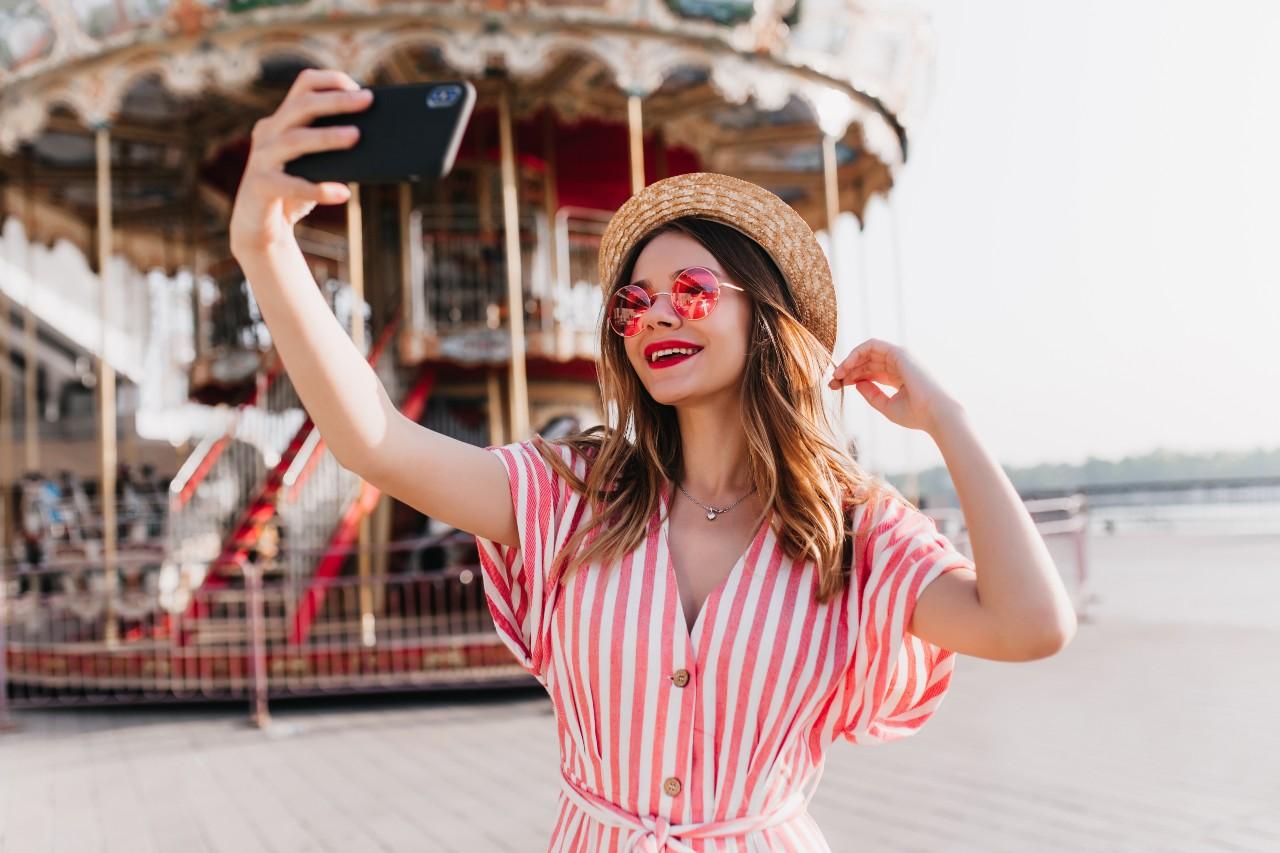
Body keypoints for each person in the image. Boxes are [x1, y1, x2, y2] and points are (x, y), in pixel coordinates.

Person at [229, 68, 1077, 851]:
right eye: (634, 303)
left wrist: (948, 420)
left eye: (694, 293)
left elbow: (1030, 623)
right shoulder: (573, 495)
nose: (657, 317)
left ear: (765, 317)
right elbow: (375, 439)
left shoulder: (847, 531)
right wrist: (266, 246)